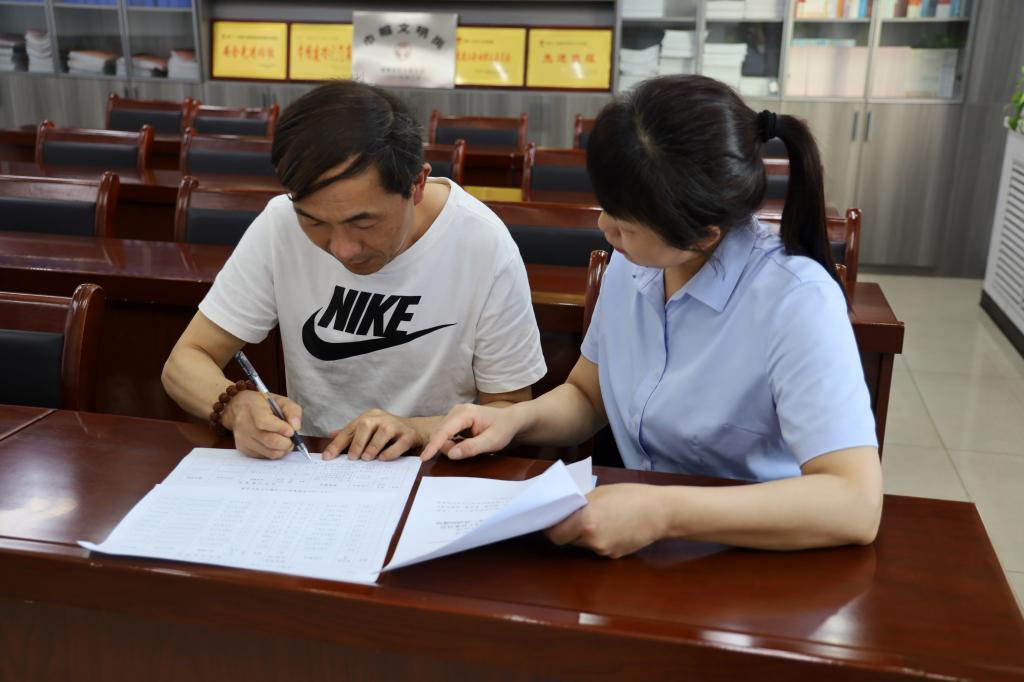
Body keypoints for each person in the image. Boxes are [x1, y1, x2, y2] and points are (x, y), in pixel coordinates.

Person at [422, 75, 882, 556]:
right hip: (642, 544)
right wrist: (515, 420)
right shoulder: (634, 264)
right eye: (607, 208)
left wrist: (663, 512)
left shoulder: (797, 300)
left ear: (703, 235)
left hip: (758, 557)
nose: (604, 228)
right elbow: (587, 397)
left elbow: (855, 502)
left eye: (625, 225)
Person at [162, 81, 546, 461]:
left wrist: (419, 429)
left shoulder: (482, 245)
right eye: (314, 222)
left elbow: (510, 409)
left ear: (416, 183)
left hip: (431, 472)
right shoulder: (280, 224)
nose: (341, 249)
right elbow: (185, 360)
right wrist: (235, 406)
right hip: (310, 464)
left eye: (363, 223)